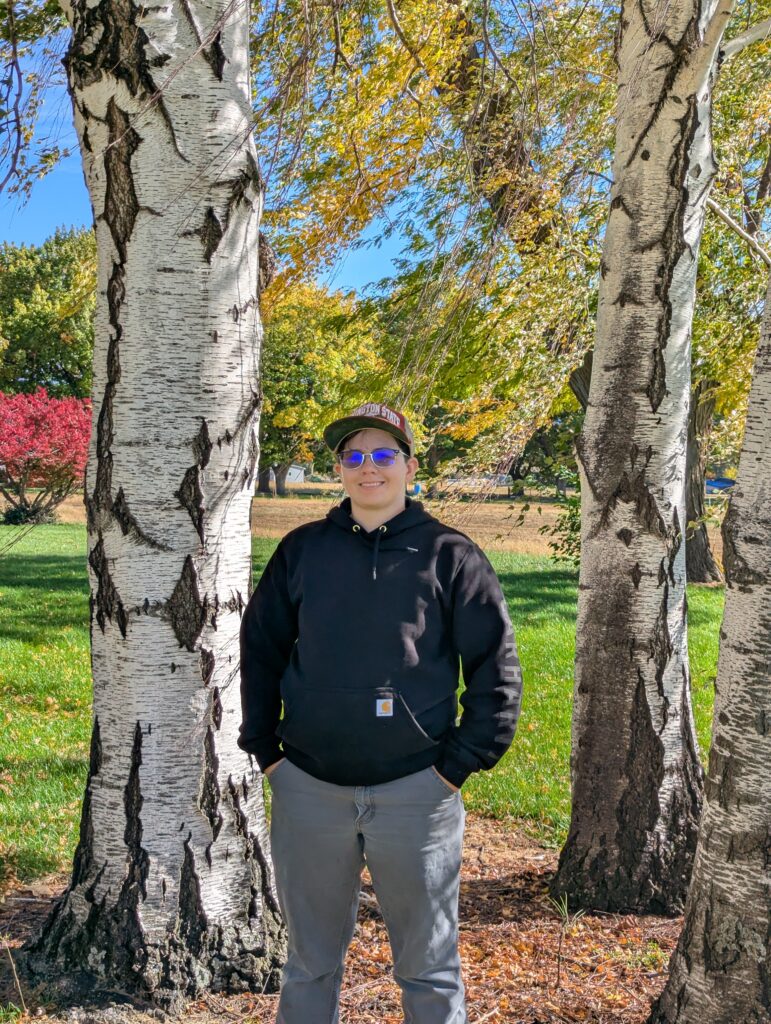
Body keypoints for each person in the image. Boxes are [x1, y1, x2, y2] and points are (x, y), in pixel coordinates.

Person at [238, 402, 522, 1024]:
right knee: (310, 962)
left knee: (428, 967)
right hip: (308, 787)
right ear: (340, 468)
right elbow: (258, 649)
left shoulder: (451, 555)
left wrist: (456, 766)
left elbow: (494, 667)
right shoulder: (302, 550)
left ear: (410, 465)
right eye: (355, 456)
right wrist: (268, 753)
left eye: (384, 455)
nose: (370, 469)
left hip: (417, 792)